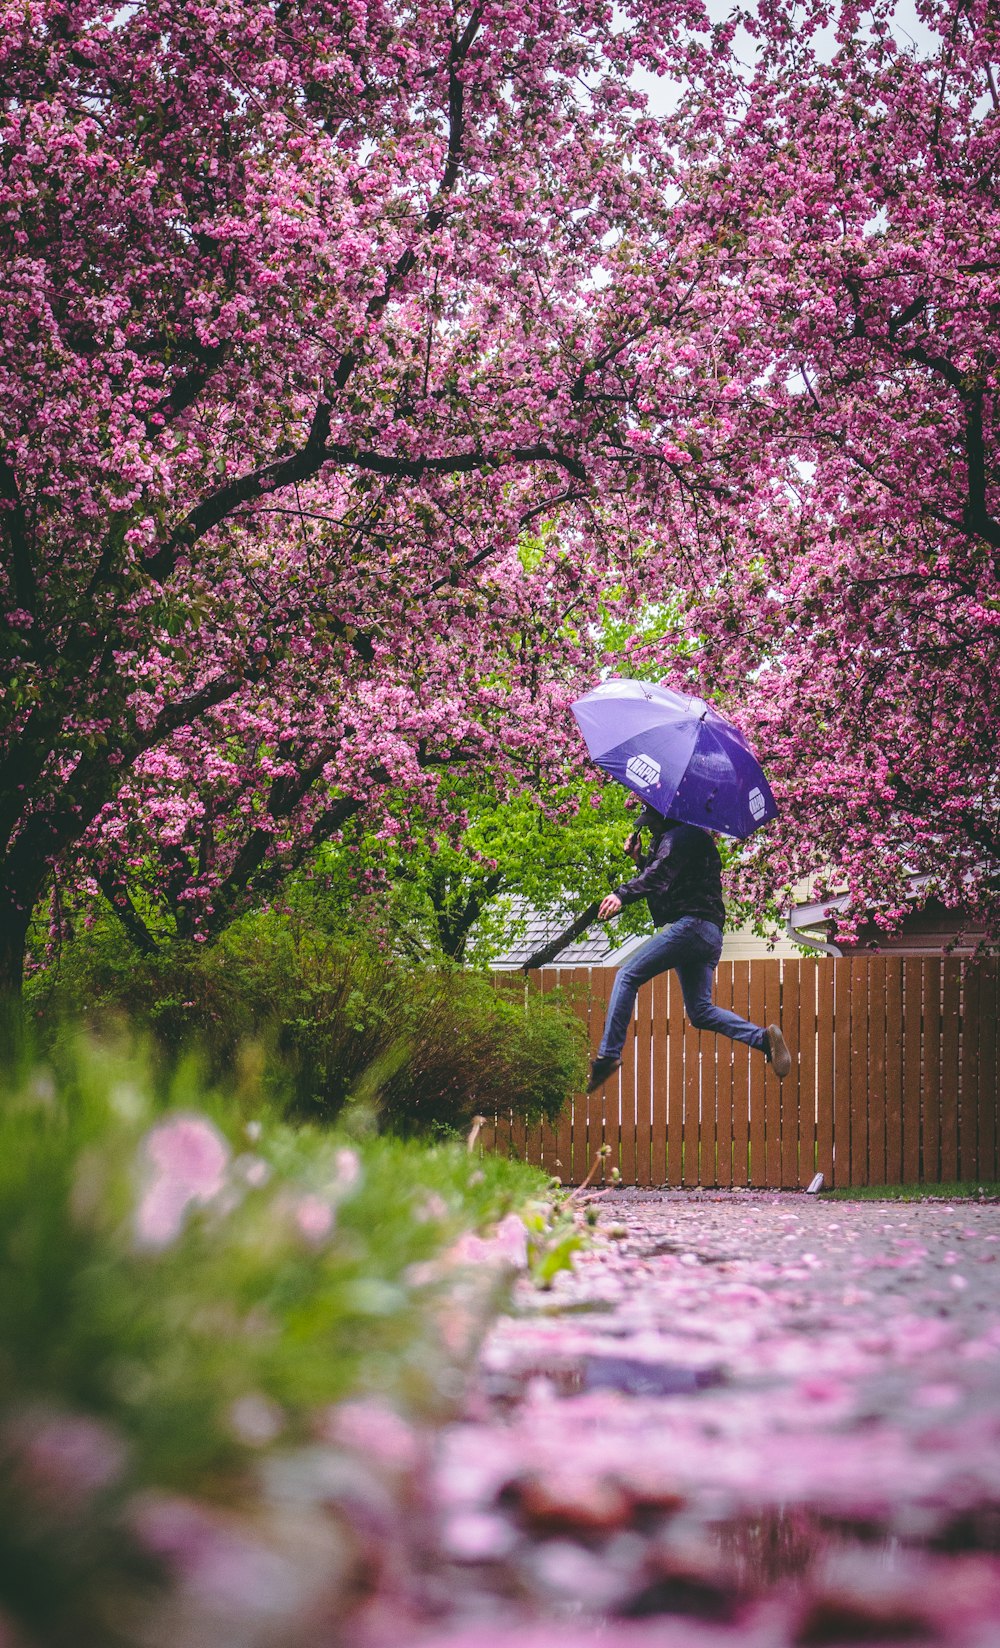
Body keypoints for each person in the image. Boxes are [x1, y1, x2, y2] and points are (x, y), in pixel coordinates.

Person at [586, 805, 791, 1093]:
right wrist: (638, 859)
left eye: (653, 824)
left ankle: (608, 1056)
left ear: (668, 818)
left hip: (693, 927)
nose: (651, 829)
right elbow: (667, 880)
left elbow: (658, 877)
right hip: (709, 935)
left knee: (628, 976)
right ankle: (762, 1039)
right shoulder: (692, 840)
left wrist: (621, 894)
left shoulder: (681, 837)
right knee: (700, 1011)